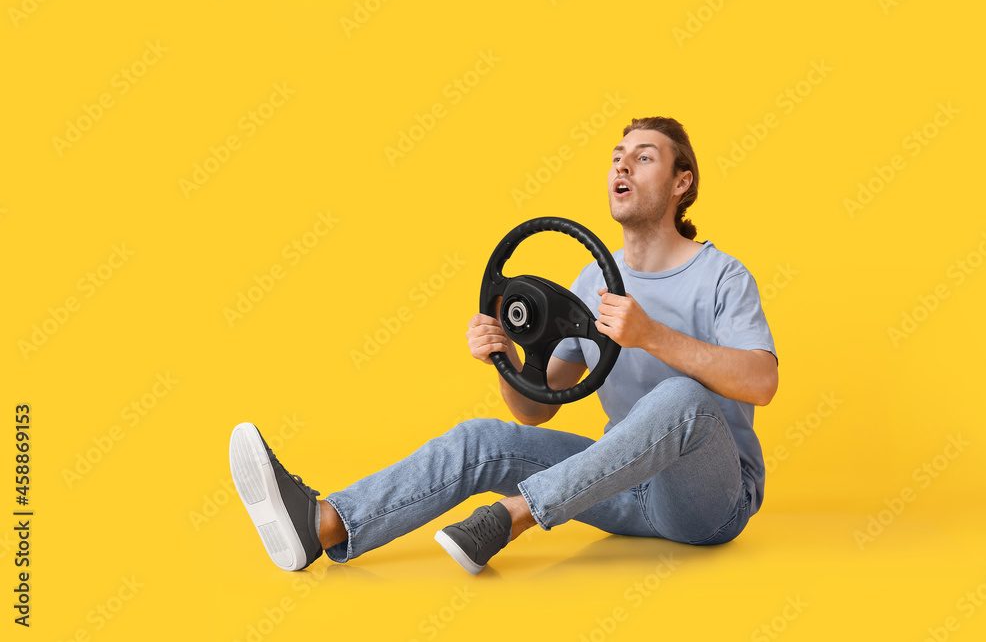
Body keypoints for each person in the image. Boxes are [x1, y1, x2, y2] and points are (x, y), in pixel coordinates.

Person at [229, 116, 779, 575]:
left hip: (709, 503)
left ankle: (515, 516)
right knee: (480, 439)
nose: (622, 165)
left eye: (643, 157)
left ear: (682, 182)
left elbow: (762, 383)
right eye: (617, 157)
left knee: (683, 398)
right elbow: (537, 407)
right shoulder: (591, 281)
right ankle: (323, 522)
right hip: (619, 491)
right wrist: (504, 357)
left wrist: (651, 336)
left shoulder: (723, 276)